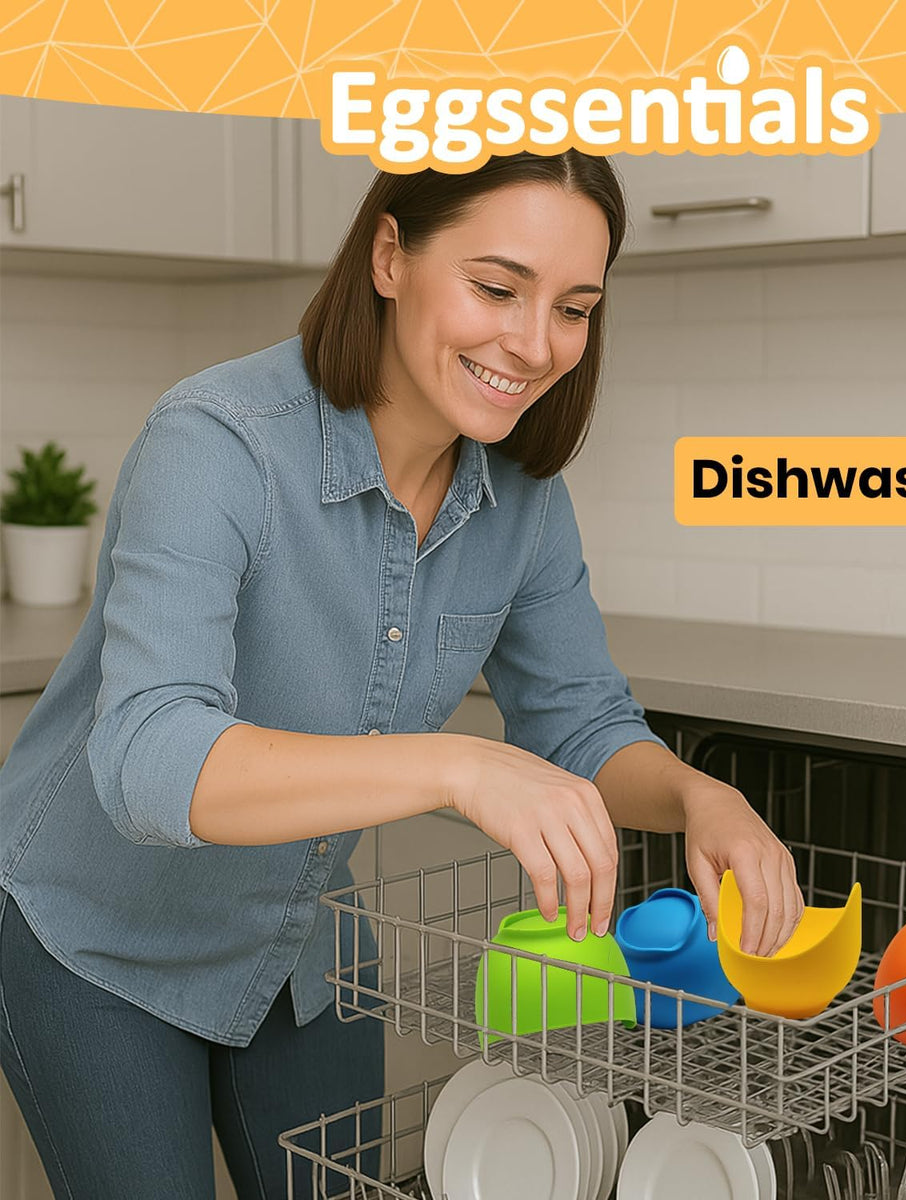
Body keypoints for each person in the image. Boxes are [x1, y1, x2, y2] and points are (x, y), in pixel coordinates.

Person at [0, 150, 805, 1198]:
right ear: (390, 257)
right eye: (497, 287)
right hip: (96, 937)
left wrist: (702, 797)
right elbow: (151, 760)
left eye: (574, 308)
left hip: (295, 940)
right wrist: (457, 767)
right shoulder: (216, 442)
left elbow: (580, 724)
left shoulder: (523, 501)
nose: (535, 344)